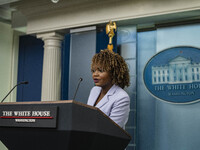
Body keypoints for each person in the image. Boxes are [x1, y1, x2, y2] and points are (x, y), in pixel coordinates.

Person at [87, 49, 130, 128]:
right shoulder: (94, 90)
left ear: (113, 73)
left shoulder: (121, 97)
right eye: (93, 71)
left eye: (101, 71)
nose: (95, 74)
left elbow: (113, 130)